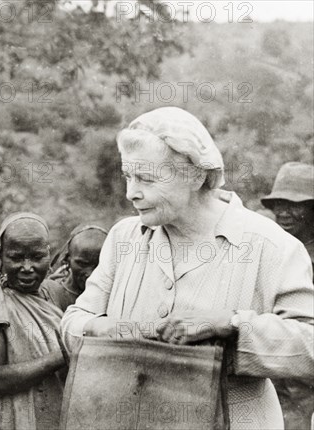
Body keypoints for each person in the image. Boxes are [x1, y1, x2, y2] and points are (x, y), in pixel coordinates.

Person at [61, 107, 314, 429]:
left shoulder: (270, 245)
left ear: (195, 175)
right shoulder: (125, 238)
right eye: (128, 176)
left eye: (147, 179)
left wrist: (230, 327)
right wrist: (113, 330)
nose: (131, 193)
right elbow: (72, 325)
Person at [0, 212, 67, 430]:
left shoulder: (54, 294)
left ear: (48, 255)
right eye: (16, 257)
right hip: (11, 419)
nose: (27, 267)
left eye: (37, 257)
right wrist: (61, 357)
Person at [261, 161, 314, 430]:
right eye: (278, 204)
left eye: (294, 204)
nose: (283, 212)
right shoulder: (271, 250)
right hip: (270, 367)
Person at [41, 225, 108, 311]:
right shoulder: (49, 293)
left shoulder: (113, 295)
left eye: (98, 265)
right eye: (82, 264)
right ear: (67, 259)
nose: (90, 273)